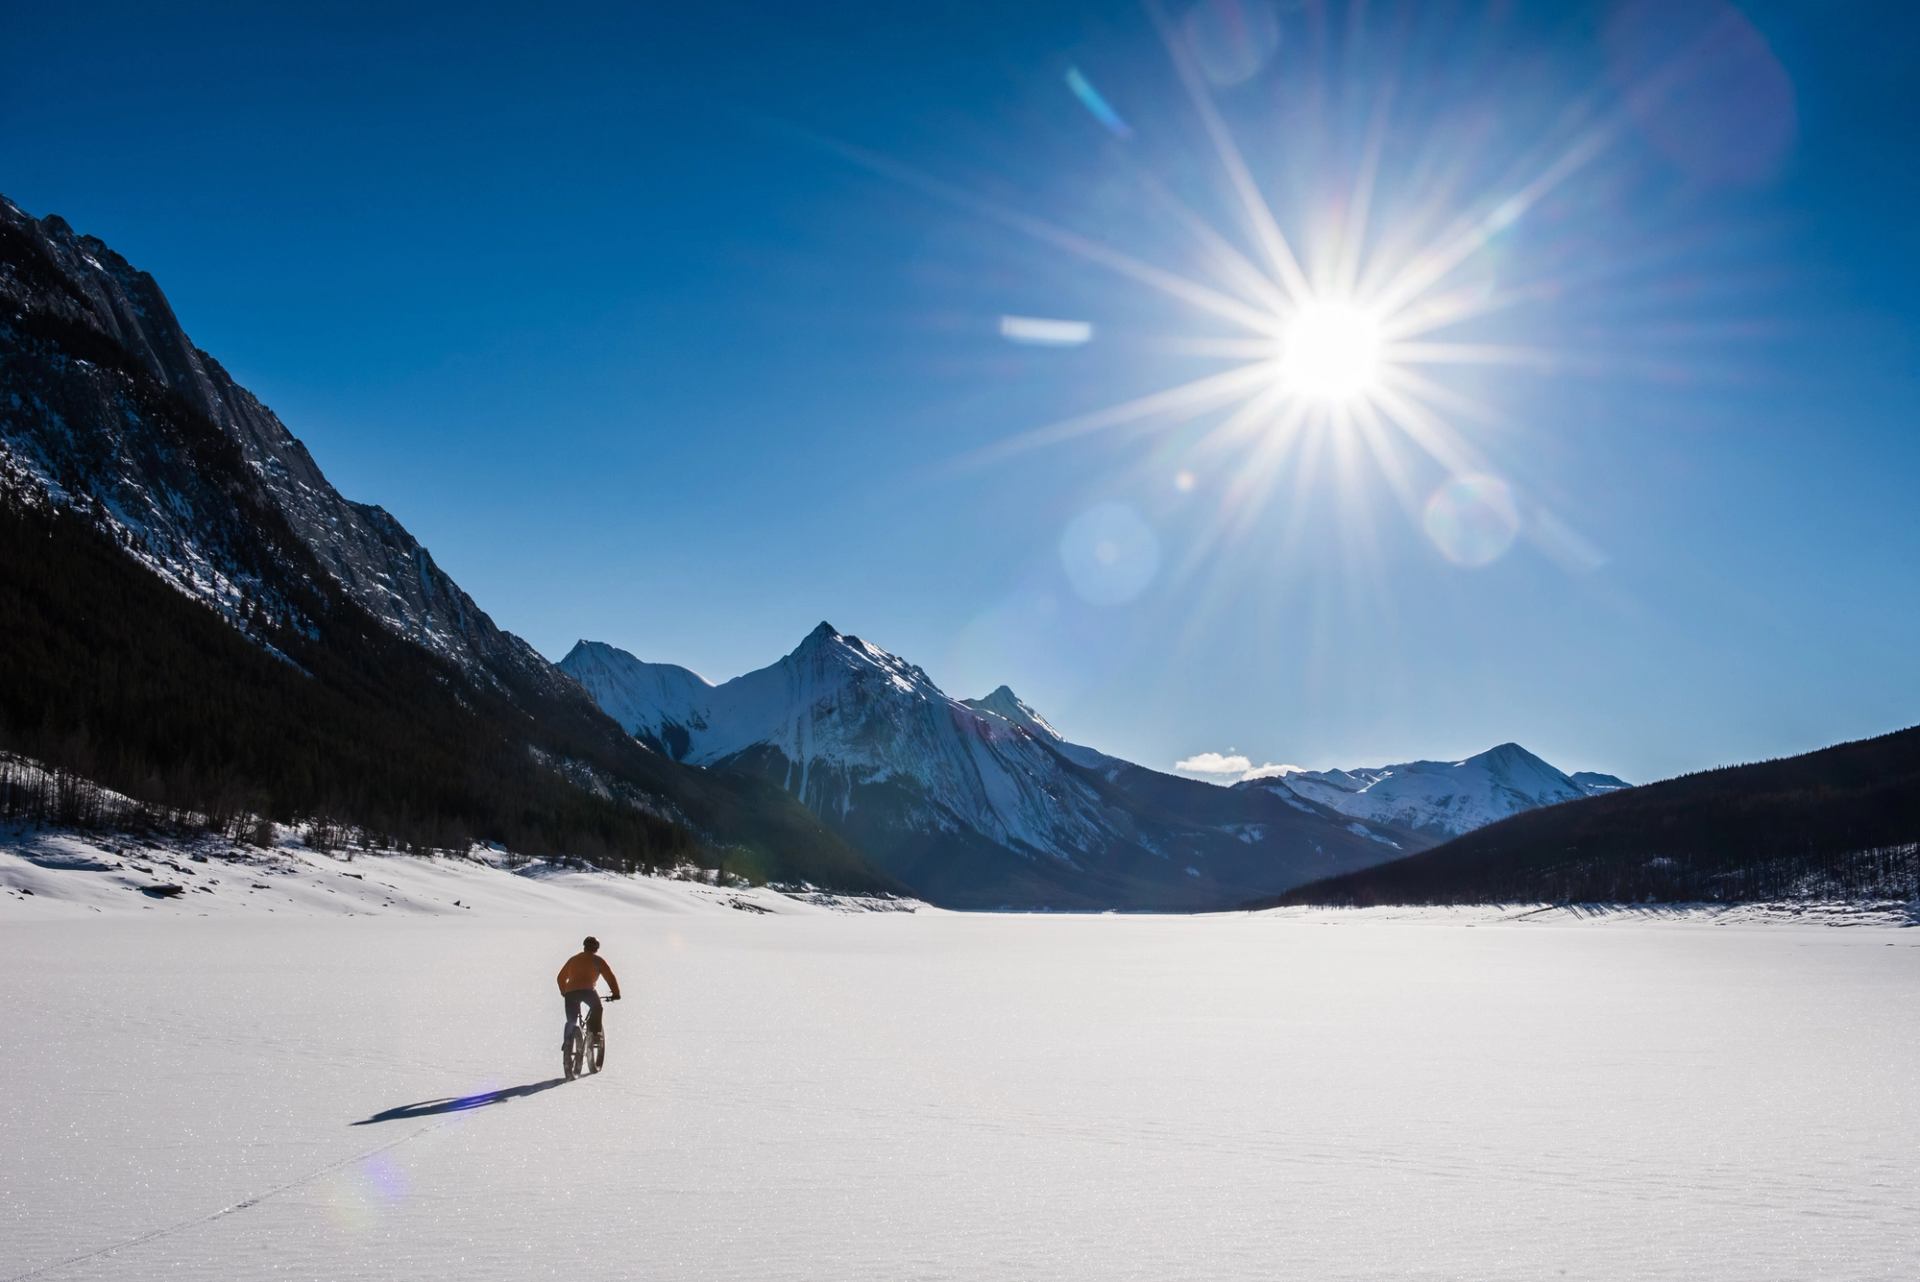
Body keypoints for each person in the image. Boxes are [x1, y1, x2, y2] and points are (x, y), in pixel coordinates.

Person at [557, 935, 621, 1061]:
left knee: (571, 1020)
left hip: (571, 993)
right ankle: (595, 1034)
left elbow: (560, 978)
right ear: (596, 948)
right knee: (597, 1008)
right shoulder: (598, 960)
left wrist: (564, 992)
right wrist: (616, 993)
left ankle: (568, 1041)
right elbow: (610, 977)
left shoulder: (573, 959)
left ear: (584, 946)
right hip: (588, 991)